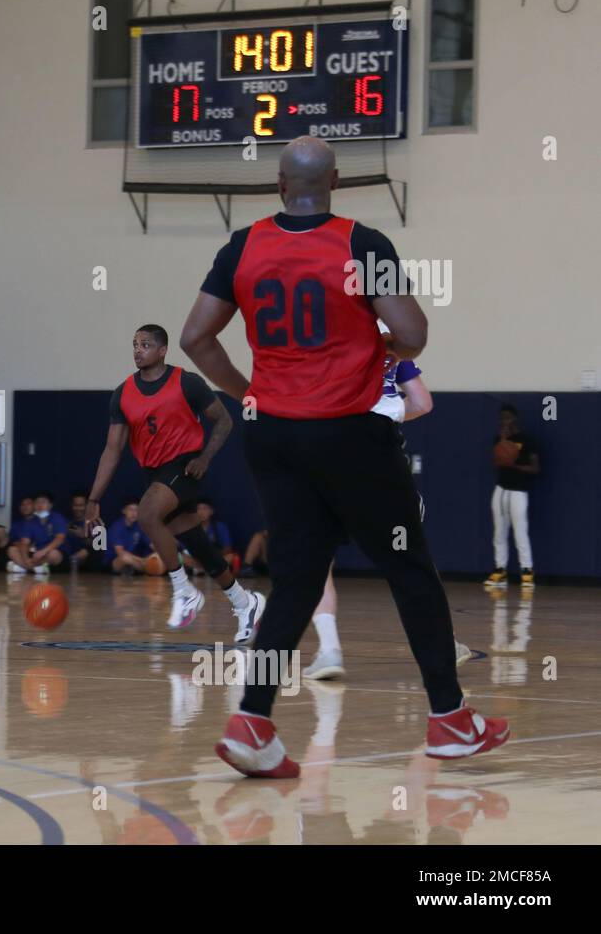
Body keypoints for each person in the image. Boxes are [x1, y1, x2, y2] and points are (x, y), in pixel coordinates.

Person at [179, 135, 508, 775]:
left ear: (278, 184)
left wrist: (252, 391)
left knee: (298, 578)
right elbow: (413, 332)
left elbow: (196, 337)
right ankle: (449, 720)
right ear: (335, 184)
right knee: (410, 569)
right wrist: (380, 338)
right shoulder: (362, 242)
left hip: (273, 434)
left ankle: (252, 720)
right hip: (347, 433)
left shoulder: (240, 246)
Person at [303, 326, 473, 680]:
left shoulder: (330, 344)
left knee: (318, 561)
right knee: (412, 565)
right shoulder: (396, 350)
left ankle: (330, 650)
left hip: (332, 456)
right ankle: (447, 643)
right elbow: (423, 403)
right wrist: (391, 412)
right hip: (383, 460)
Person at [84, 325, 265, 640]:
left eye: (146, 344)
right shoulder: (123, 393)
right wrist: (93, 499)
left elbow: (224, 420)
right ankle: (244, 601)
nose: (138, 350)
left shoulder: (187, 382)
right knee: (198, 544)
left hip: (185, 466)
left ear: (163, 350)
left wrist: (205, 458)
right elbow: (112, 451)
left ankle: (184, 592)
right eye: (135, 344)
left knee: (148, 513)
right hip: (155, 473)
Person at [486, 403, 539, 588]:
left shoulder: (527, 440)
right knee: (499, 532)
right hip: (501, 489)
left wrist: (514, 464)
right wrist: (503, 441)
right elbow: (496, 463)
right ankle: (500, 570)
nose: (504, 421)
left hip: (518, 491)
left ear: (515, 418)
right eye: (502, 418)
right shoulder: (497, 440)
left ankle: (527, 570)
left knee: (520, 531)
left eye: (507, 417)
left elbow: (535, 468)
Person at [8, 492, 66, 574]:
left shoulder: (57, 517)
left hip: (50, 552)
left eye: (43, 502)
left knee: (54, 554)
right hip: (36, 554)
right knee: (12, 550)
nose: (40, 505)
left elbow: (60, 538)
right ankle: (33, 568)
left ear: (50, 505)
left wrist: (43, 552)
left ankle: (22, 567)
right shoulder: (30, 521)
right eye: (37, 502)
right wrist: (26, 559)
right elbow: (24, 542)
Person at [106, 498, 153, 575]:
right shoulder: (117, 527)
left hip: (135, 560)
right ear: (124, 511)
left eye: (136, 510)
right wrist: (142, 560)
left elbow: (152, 544)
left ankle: (137, 570)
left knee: (157, 556)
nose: (134, 513)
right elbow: (120, 552)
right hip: (115, 561)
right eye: (130, 510)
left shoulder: (140, 526)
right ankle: (147, 570)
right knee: (125, 558)